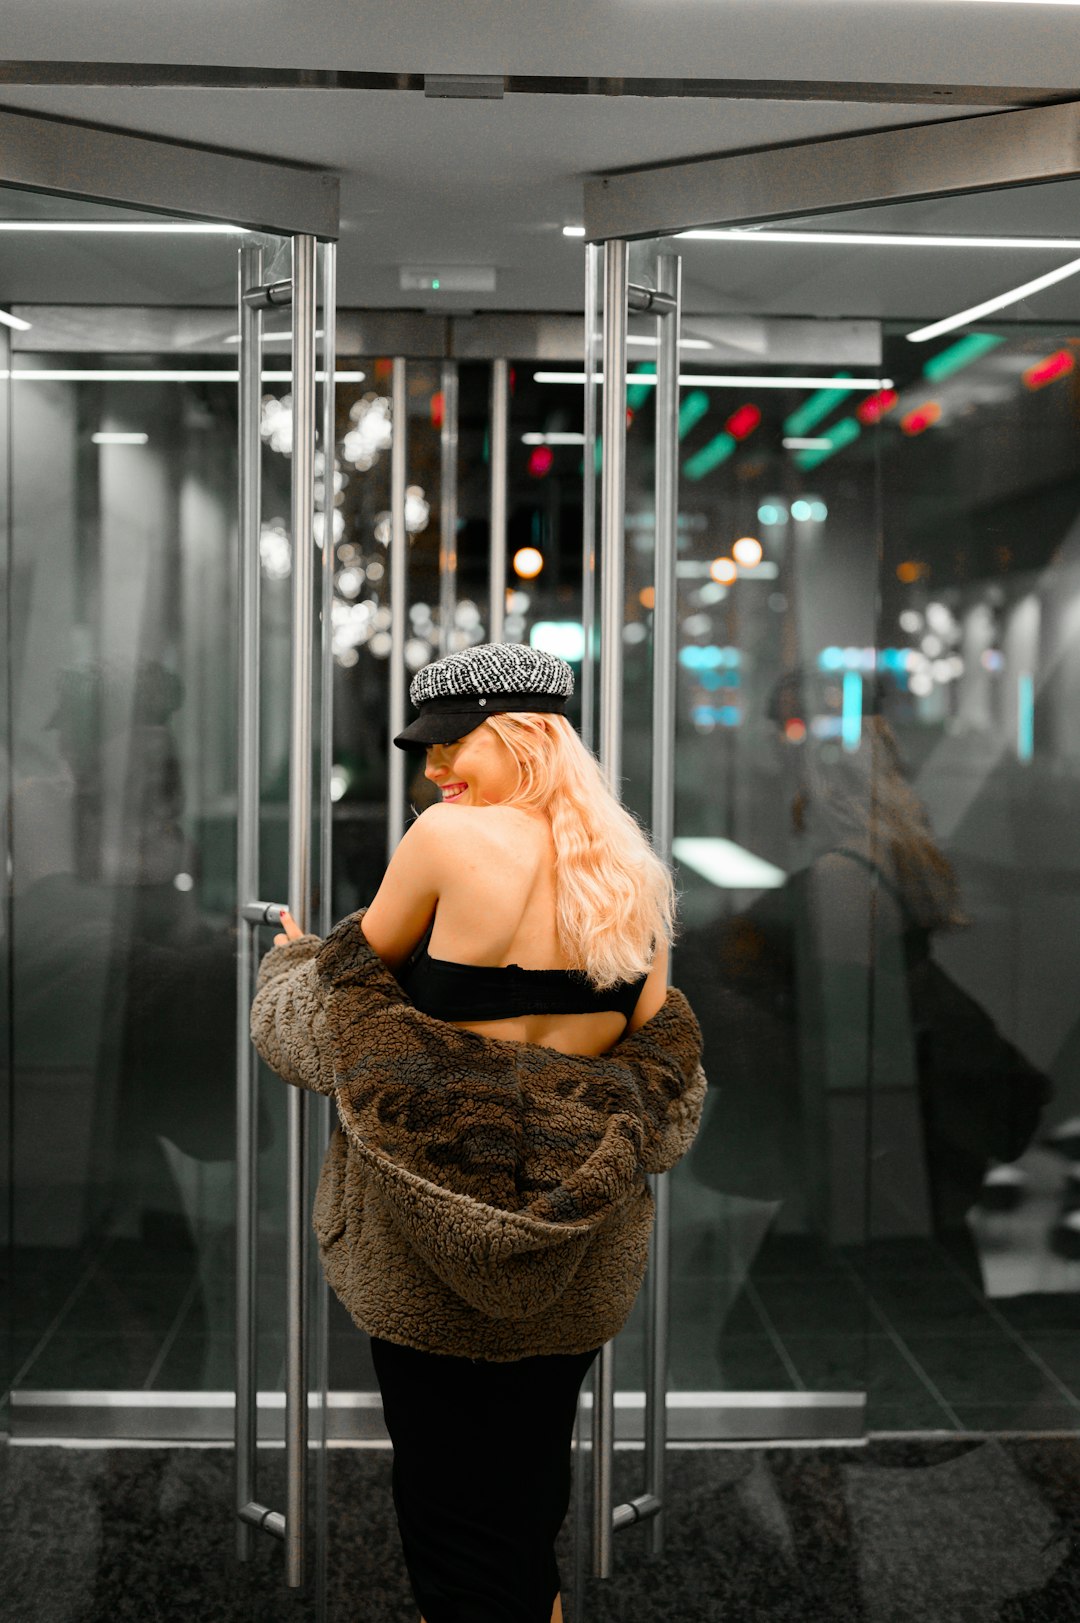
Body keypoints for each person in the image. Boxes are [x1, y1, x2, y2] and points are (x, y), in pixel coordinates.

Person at [250, 642, 706, 1623]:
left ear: (519, 735)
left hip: (428, 1244)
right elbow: (658, 1071)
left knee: (448, 1509)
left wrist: (287, 960)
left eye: (451, 744)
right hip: (576, 1251)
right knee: (528, 1492)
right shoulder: (634, 873)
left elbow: (341, 1005)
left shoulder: (446, 841)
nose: (431, 770)